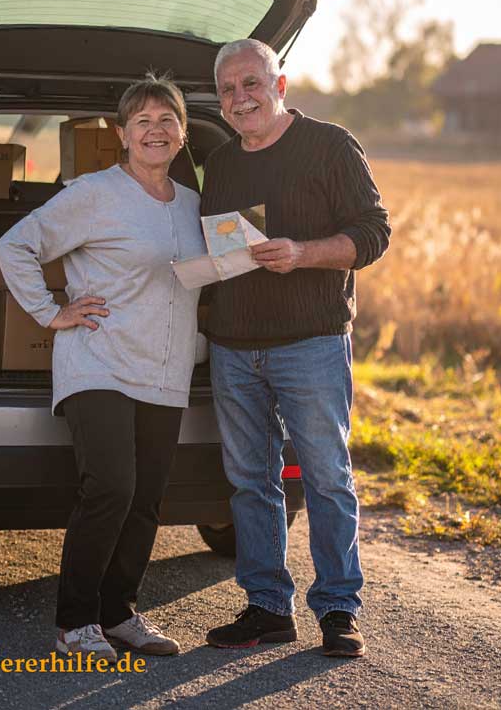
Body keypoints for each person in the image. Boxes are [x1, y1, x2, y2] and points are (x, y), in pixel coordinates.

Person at [0, 74, 205, 664]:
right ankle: (75, 623)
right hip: (100, 364)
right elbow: (16, 244)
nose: (155, 131)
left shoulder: (192, 204)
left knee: (146, 499)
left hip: (164, 371)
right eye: (142, 121)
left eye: (167, 120)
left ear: (183, 133)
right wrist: (49, 312)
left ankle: (119, 613)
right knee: (111, 487)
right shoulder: (94, 193)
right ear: (122, 134)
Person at [201, 39, 390, 657]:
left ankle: (338, 609)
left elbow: (374, 232)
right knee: (251, 483)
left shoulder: (331, 145)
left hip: (310, 342)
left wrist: (304, 253)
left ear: (280, 86)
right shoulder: (223, 163)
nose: (239, 98)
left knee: (328, 477)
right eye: (228, 89)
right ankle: (266, 609)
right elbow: (219, 247)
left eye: (251, 83)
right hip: (234, 347)